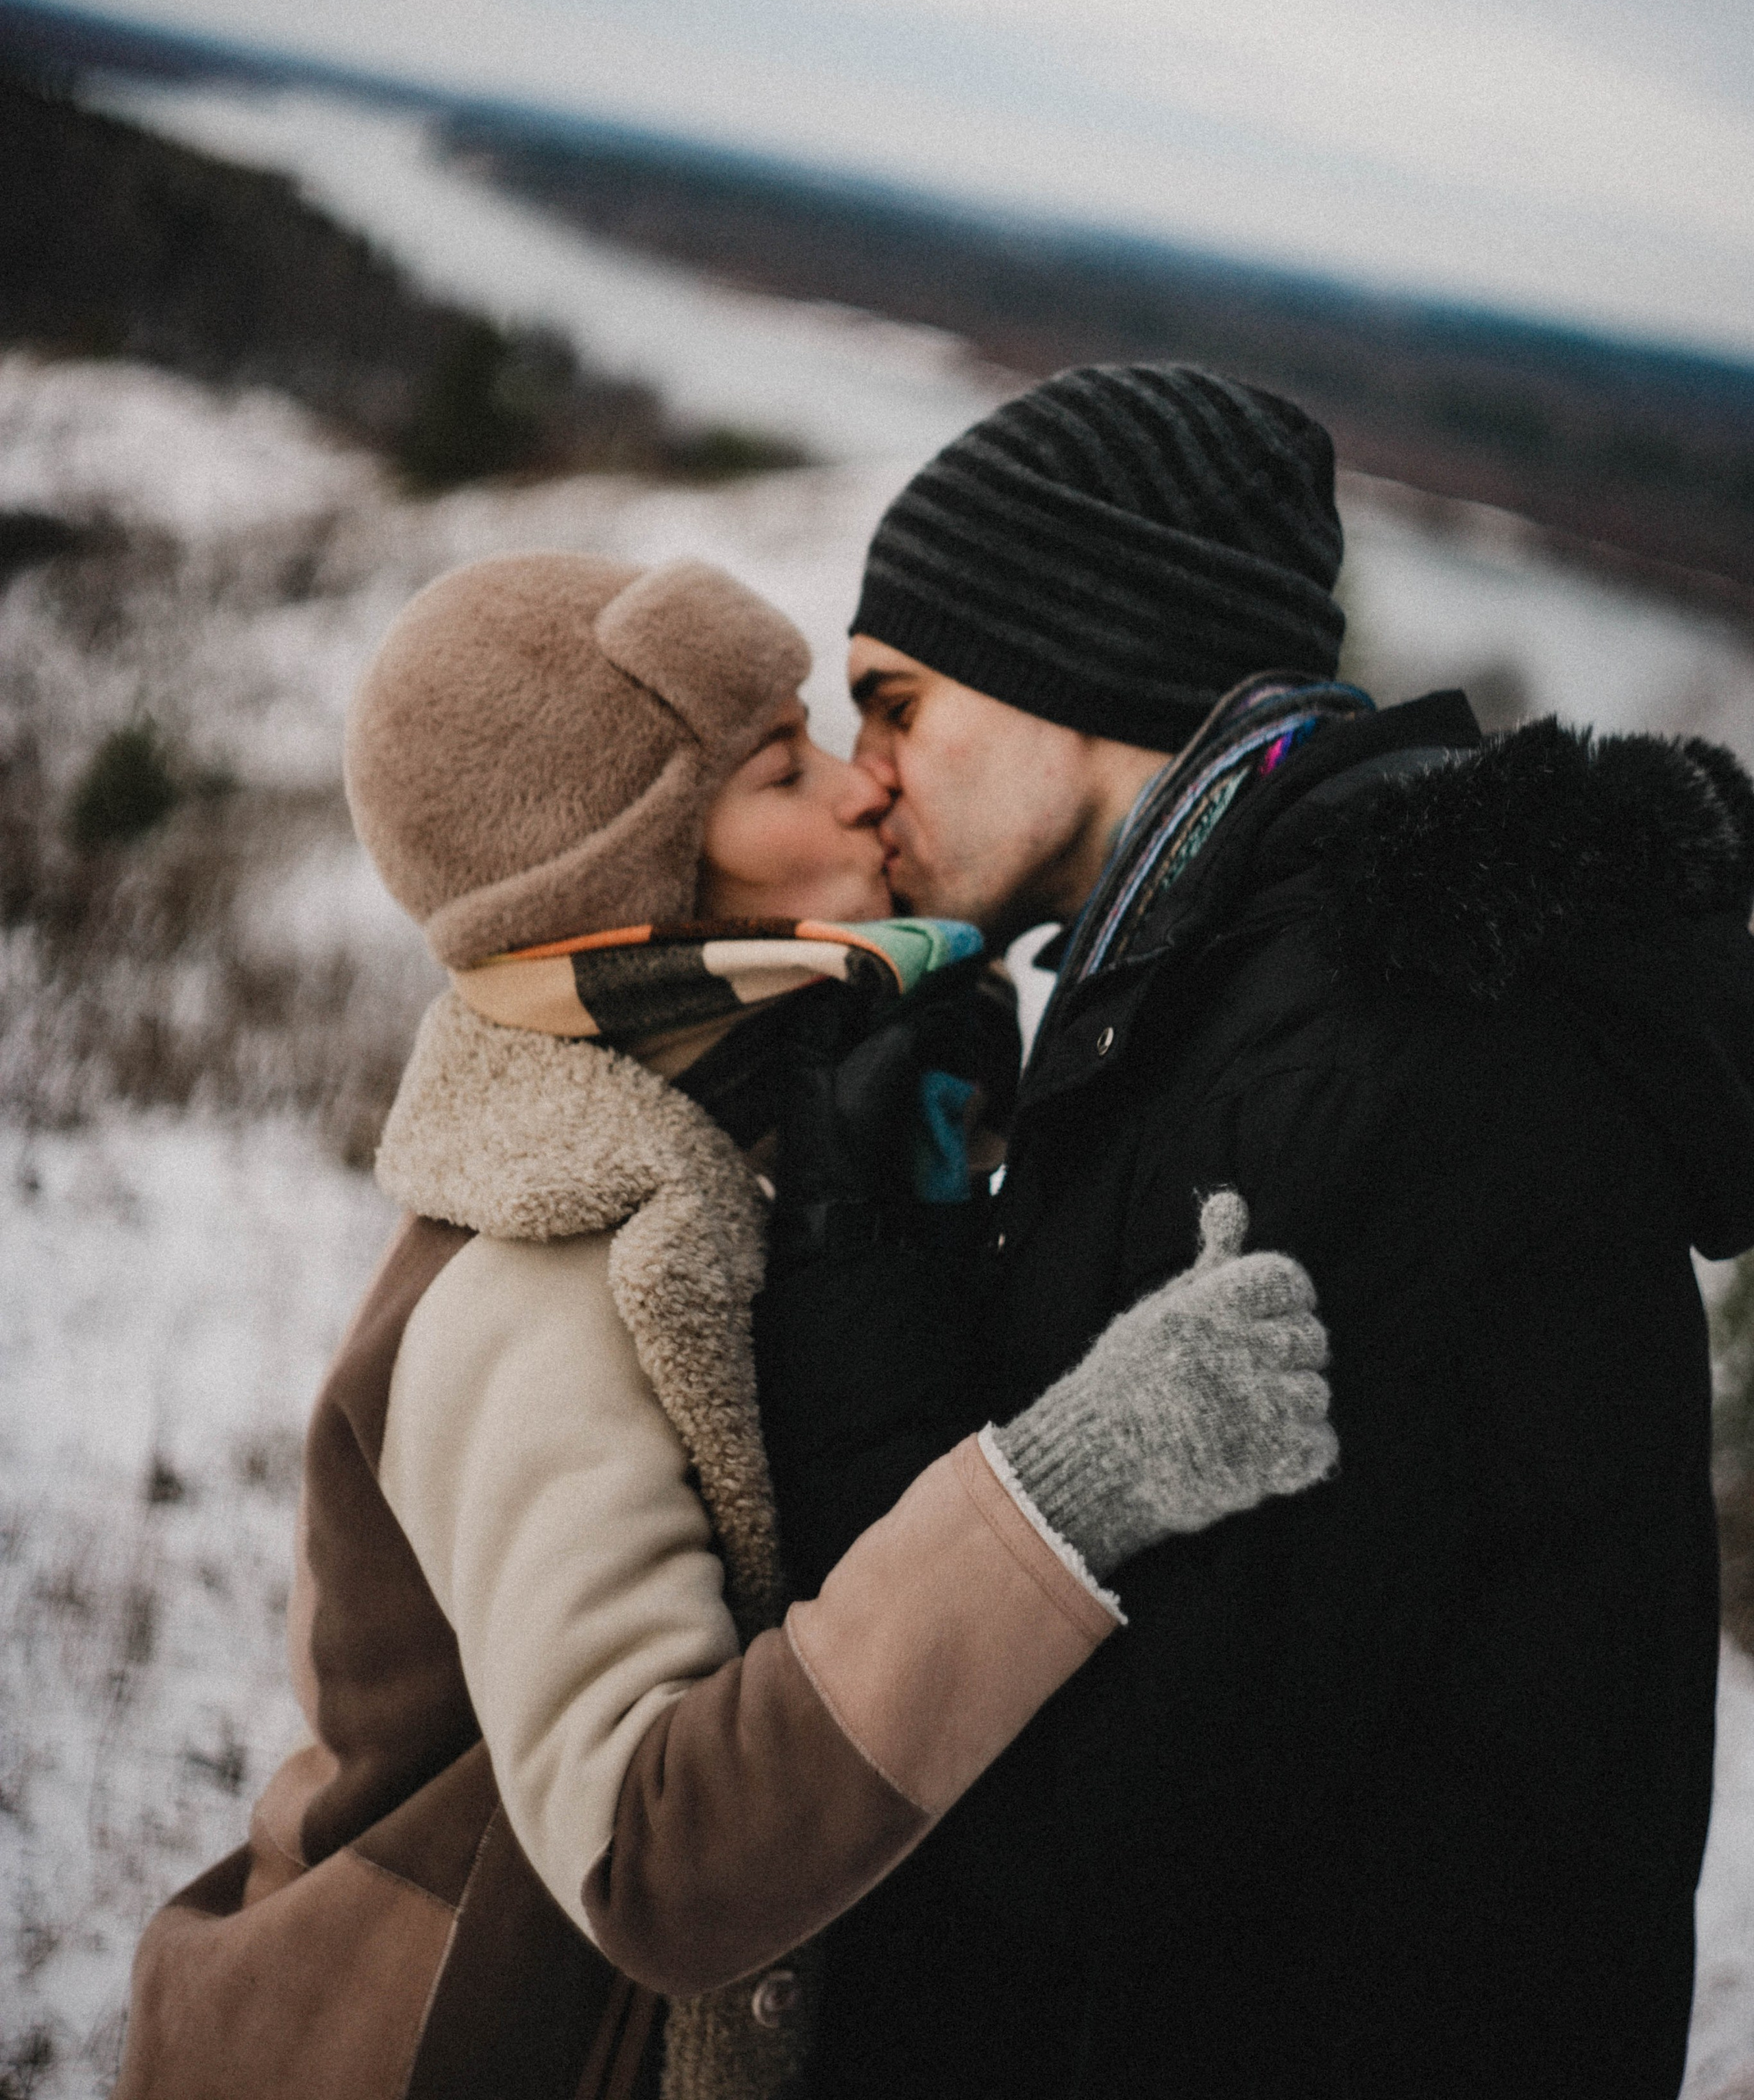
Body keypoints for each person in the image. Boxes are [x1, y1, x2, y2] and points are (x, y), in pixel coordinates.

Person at [113, 550, 1337, 2100]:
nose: (859, 792)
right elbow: (653, 1854)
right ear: (622, 876)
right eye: (783, 768)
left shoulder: (751, 1148)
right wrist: (1071, 1484)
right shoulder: (538, 1279)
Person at [761, 362, 1754, 2100]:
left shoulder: (1373, 1071)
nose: (864, 782)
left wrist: (863, 1261)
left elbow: (1094, 1822)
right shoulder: (1230, 1008)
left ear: (1071, 656)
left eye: (894, 703)